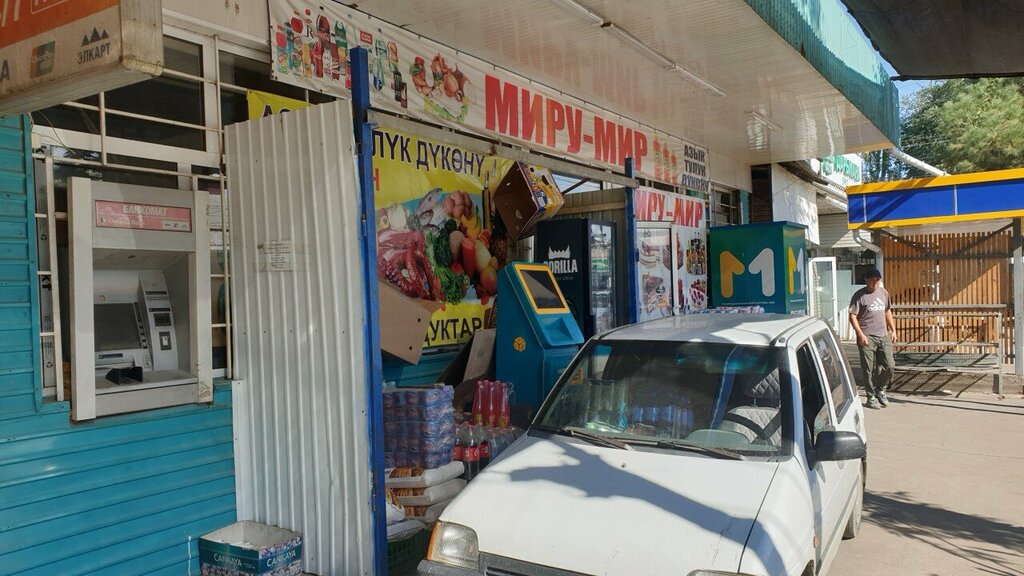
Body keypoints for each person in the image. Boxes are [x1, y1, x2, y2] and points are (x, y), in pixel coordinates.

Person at [849, 269, 897, 409]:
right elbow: (852, 316)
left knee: (890, 366)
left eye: (877, 280)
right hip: (867, 336)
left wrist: (893, 330)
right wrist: (860, 334)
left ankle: (880, 389)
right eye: (872, 280)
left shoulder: (883, 293)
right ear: (866, 280)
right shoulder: (859, 295)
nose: (875, 283)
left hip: (883, 335)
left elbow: (887, 311)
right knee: (868, 369)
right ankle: (871, 397)